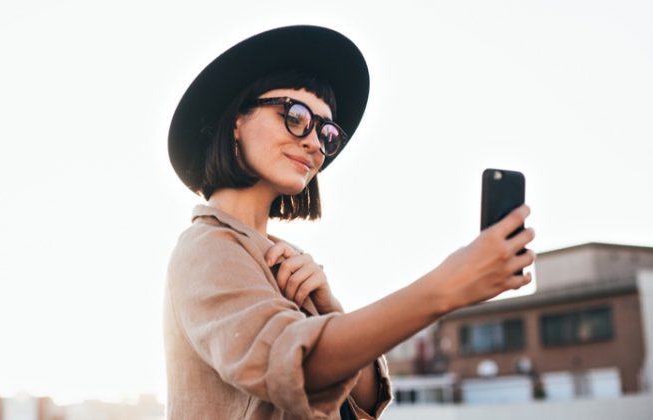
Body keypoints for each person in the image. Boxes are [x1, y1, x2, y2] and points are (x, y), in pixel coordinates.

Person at [164, 25, 535, 420]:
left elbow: (363, 402)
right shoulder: (207, 246)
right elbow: (295, 368)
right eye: (295, 115)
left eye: (326, 132)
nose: (314, 144)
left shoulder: (288, 258)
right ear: (237, 119)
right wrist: (448, 287)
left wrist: (328, 311)